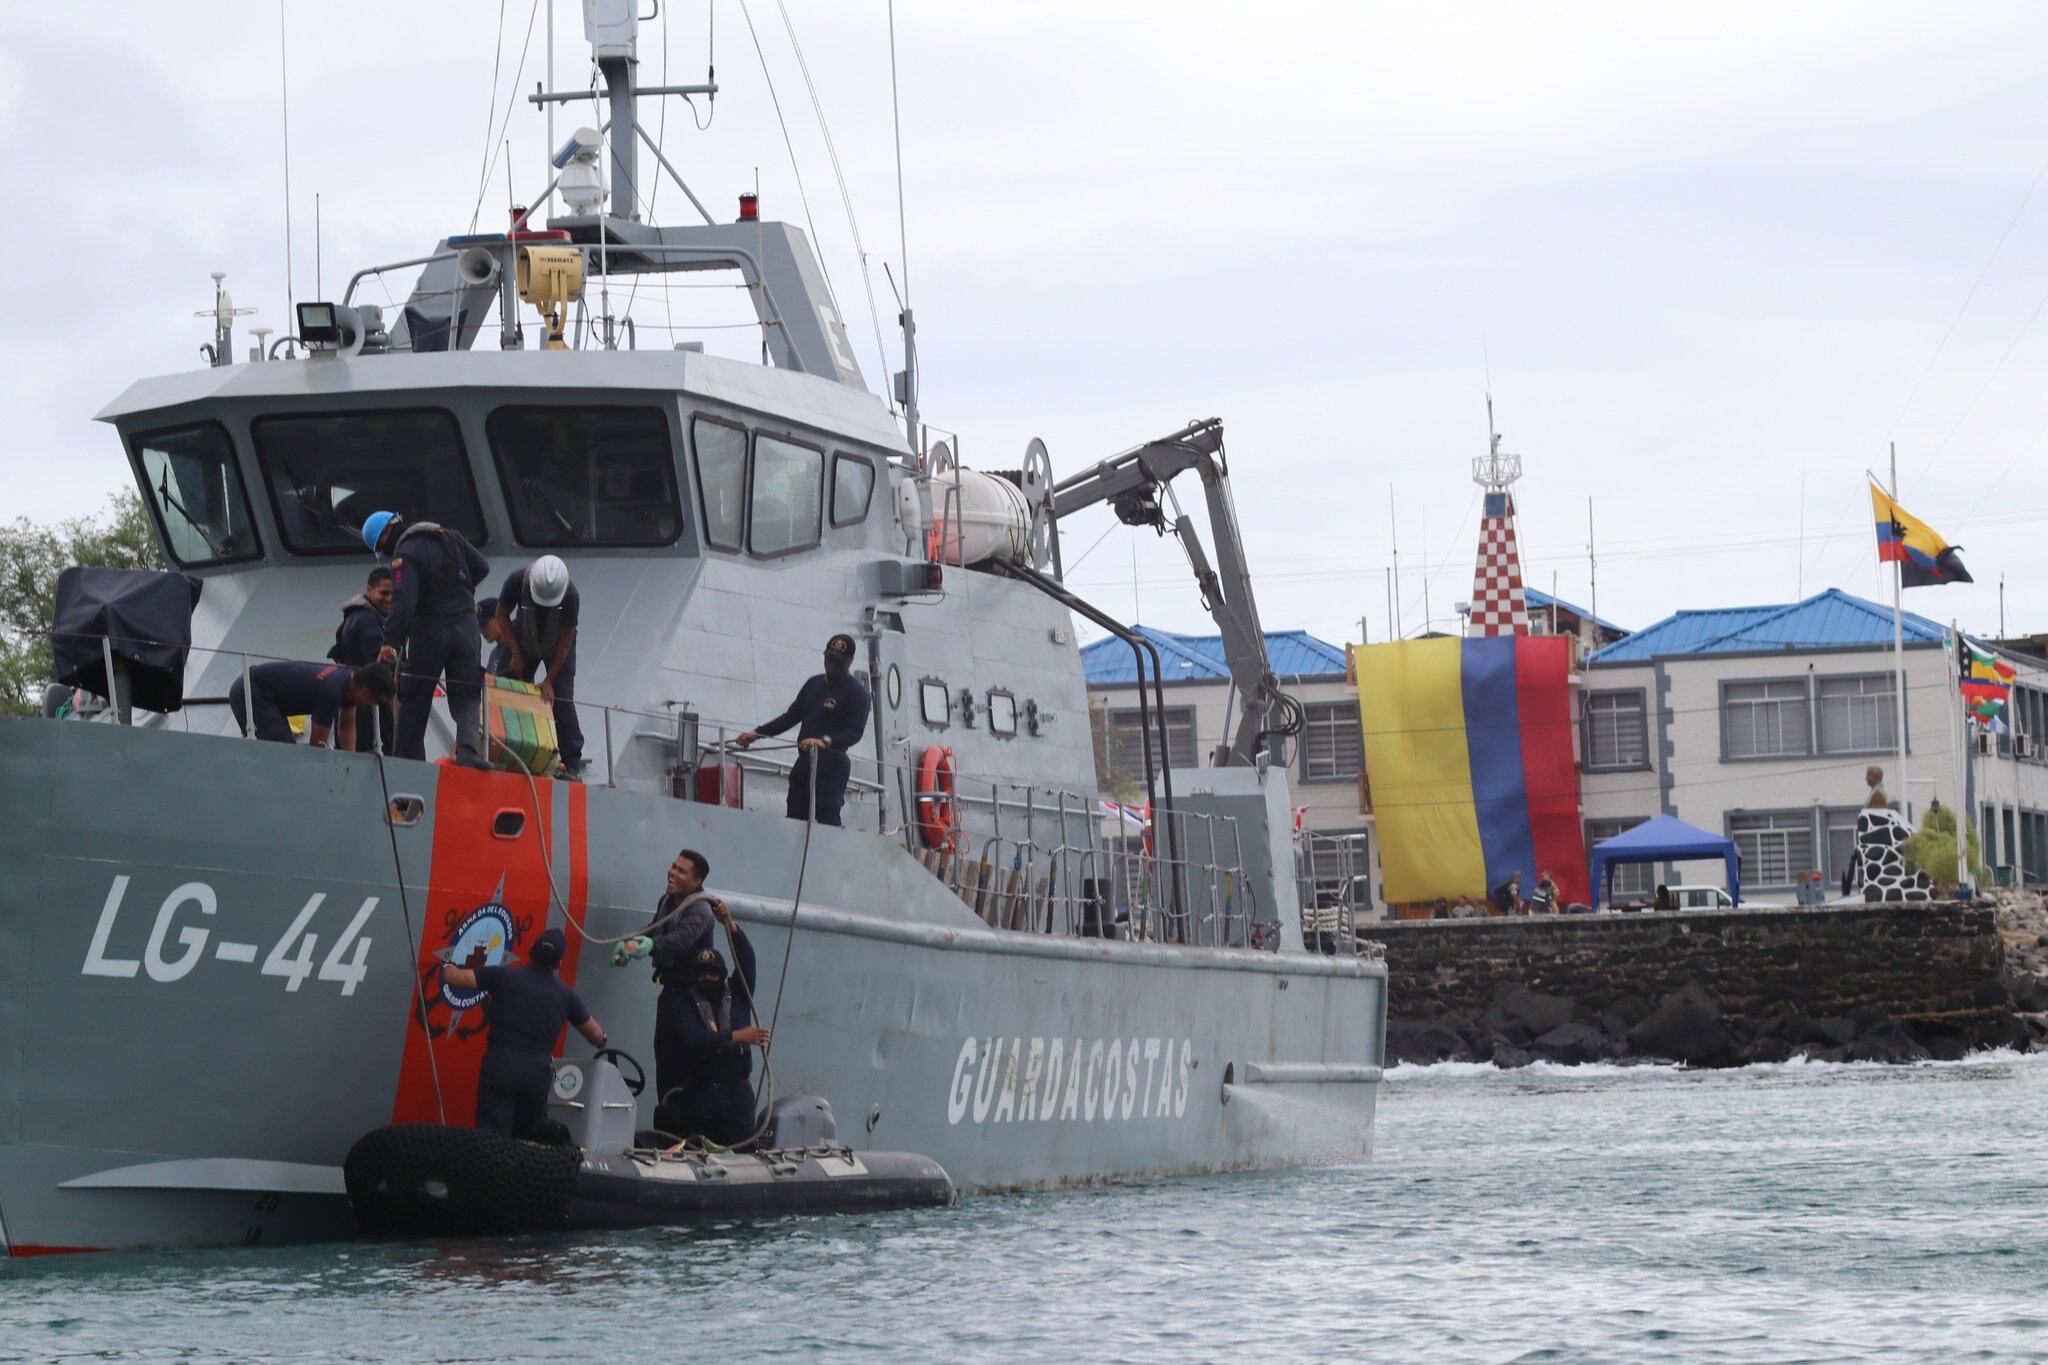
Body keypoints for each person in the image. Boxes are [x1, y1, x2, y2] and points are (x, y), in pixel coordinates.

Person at [439, 927, 607, 1142]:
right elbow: (595, 1034)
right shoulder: (566, 996)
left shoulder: (501, 975)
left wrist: (448, 963)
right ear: (559, 964)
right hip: (538, 1071)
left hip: (501, 1063)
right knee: (530, 1136)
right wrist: (603, 1040)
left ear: (530, 950)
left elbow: (455, 978)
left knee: (492, 1135)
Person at [361, 510, 490, 766]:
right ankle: (468, 753)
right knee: (466, 694)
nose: (387, 554)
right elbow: (481, 567)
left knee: (415, 697)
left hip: (432, 629)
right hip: (467, 624)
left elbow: (405, 602)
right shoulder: (450, 536)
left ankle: (409, 766)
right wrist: (457, 595)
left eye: (383, 548)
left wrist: (390, 642)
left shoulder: (405, 554)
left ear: (387, 534)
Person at [611, 849, 723, 1130]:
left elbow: (681, 939)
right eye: (673, 867)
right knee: (665, 1058)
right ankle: (668, 1126)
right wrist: (630, 942)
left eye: (681, 871)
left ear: (696, 882)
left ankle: (689, 1129)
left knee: (687, 1063)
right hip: (672, 994)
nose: (673, 873)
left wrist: (651, 946)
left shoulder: (700, 909)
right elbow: (655, 929)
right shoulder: (667, 901)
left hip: (693, 999)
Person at [736, 633, 871, 827]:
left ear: (848, 661)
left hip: (832, 763)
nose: (832, 663)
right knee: (795, 814)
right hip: (805, 760)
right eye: (829, 658)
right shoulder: (814, 685)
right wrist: (757, 733)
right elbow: (790, 717)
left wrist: (825, 741)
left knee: (827, 816)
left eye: (838, 660)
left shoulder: (857, 694)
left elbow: (854, 732)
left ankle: (829, 853)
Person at [488, 555, 586, 778]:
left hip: (558, 642)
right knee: (509, 684)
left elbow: (565, 640)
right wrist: (516, 652)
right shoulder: (516, 581)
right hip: (524, 633)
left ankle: (570, 764)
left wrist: (549, 680)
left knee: (560, 698)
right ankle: (506, 749)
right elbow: (501, 615)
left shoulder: (570, 595)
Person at [672, 926, 769, 1147]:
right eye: (702, 973)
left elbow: (747, 961)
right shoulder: (683, 1003)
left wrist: (731, 927)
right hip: (700, 1094)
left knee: (743, 1152)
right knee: (697, 1153)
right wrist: (738, 1036)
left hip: (736, 1093)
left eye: (712, 973)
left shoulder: (739, 994)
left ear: (722, 975)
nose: (707, 977)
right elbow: (693, 1039)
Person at [228, 661, 395, 749]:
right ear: (366, 692)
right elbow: (317, 745)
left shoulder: (350, 683)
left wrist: (348, 765)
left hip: (268, 695)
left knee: (284, 751)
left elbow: (347, 727)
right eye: (375, 702)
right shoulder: (332, 691)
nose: (370, 705)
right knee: (283, 755)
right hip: (251, 691)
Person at [330, 566, 397, 755]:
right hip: (368, 708)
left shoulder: (356, 616)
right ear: (369, 589)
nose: (389, 599)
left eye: (394, 593)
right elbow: (379, 668)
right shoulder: (368, 620)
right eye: (384, 593)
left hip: (352, 701)